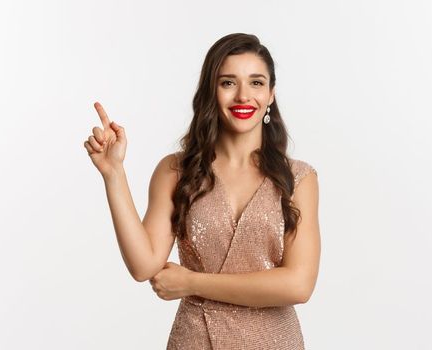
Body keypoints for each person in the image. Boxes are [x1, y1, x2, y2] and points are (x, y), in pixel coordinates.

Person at [83, 33, 319, 349]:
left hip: (275, 341)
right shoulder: (177, 171)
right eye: (228, 83)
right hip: (196, 340)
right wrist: (114, 175)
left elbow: (298, 285)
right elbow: (144, 266)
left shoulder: (298, 178)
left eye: (256, 83)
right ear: (211, 90)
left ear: (271, 94)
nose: (243, 96)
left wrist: (192, 282)